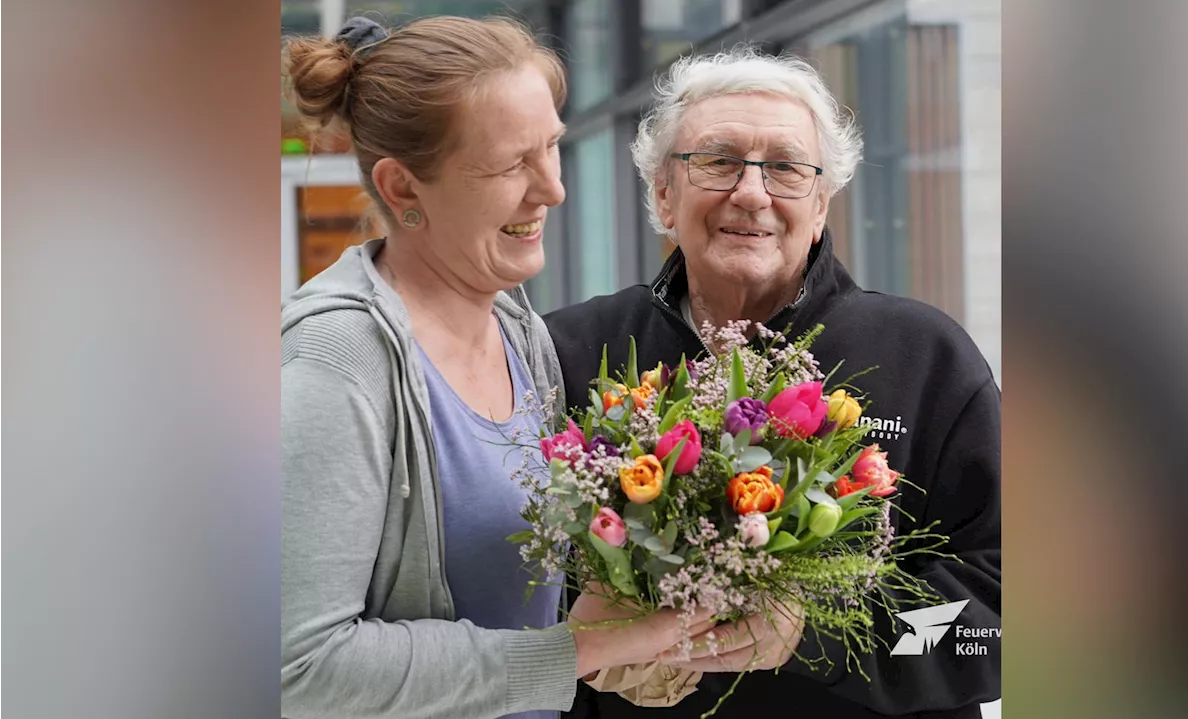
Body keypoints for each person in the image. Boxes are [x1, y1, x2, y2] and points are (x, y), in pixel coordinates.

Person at [280, 16, 715, 719]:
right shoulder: (338, 364)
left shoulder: (519, 332)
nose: (553, 189)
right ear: (402, 187)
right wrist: (576, 652)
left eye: (552, 149)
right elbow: (300, 670)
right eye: (513, 164)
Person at [546, 46, 1001, 718]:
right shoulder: (572, 350)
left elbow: (1001, 619)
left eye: (786, 168)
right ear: (663, 193)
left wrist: (816, 631)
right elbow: (503, 585)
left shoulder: (927, 359)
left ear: (820, 205)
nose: (752, 192)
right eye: (718, 160)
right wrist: (581, 641)